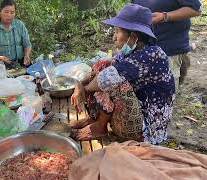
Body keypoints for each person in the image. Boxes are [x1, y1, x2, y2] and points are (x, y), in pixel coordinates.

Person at [70, 4, 175, 144]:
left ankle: (100, 126)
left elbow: (106, 79)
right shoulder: (133, 52)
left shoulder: (151, 55)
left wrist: (85, 89)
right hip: (135, 113)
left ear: (133, 37)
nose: (114, 37)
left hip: (147, 128)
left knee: (115, 82)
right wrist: (79, 85)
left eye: (117, 32)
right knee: (103, 65)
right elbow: (104, 68)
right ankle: (95, 119)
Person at [132, 0, 203, 91]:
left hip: (168, 47)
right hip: (143, 46)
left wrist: (164, 16)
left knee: (165, 92)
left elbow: (196, 9)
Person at [0, 0, 32, 69]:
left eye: (12, 12)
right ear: (0, 12)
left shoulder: (19, 25)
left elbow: (27, 44)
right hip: (0, 63)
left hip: (20, 62)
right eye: (6, 12)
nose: (9, 15)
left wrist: (27, 55)